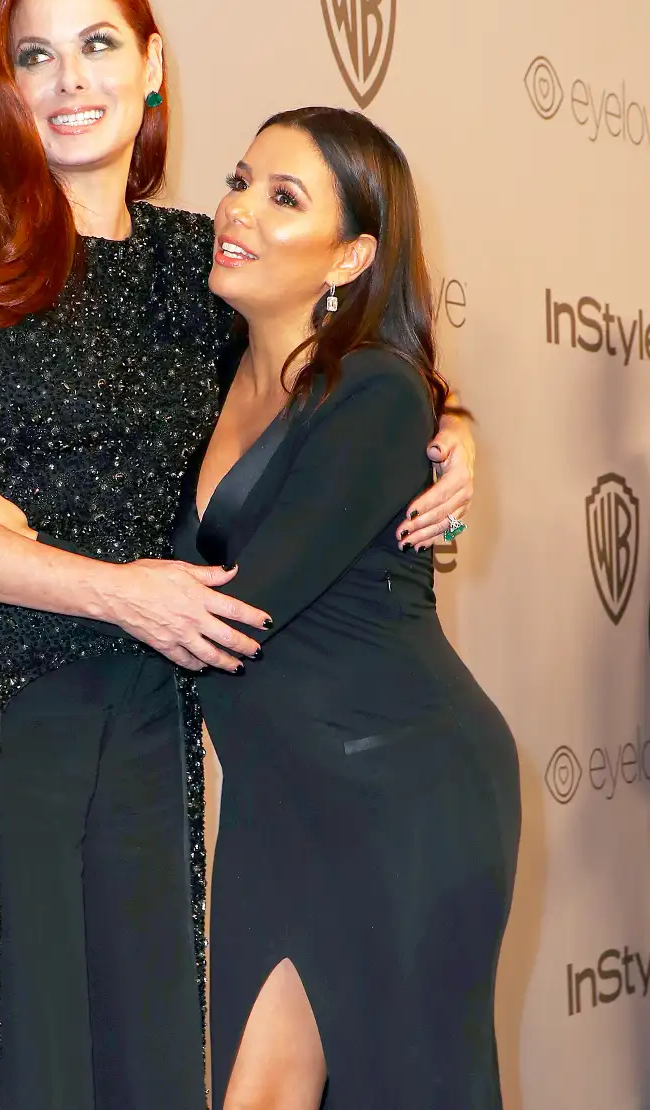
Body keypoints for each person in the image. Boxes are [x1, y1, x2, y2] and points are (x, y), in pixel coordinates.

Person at [0, 0, 477, 1110]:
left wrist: (457, 437)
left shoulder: (202, 264)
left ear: (152, 65)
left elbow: (353, 367)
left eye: (97, 46)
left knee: (142, 1054)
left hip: (143, 715)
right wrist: (110, 583)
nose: (69, 80)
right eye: (32, 55)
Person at [170, 108, 521, 1109]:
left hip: (400, 792)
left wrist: (38, 583)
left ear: (352, 253)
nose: (238, 208)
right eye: (240, 180)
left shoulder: (372, 392)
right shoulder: (212, 372)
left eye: (284, 198)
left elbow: (237, 610)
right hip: (281, 803)